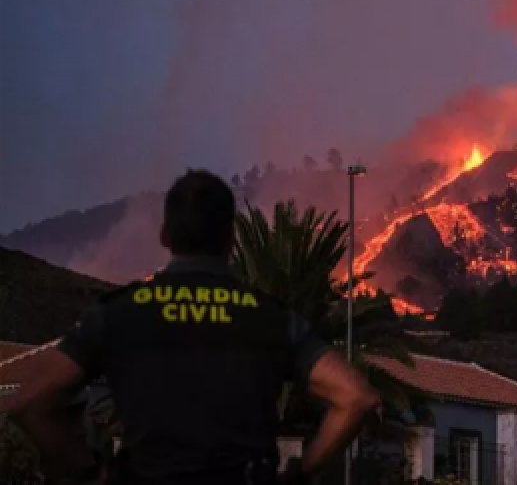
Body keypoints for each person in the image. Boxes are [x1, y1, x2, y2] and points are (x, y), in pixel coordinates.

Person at [9, 170, 379, 485]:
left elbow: (28, 402)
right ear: (232, 239)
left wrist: (89, 471)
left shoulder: (118, 314)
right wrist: (300, 474)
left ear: (164, 236)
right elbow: (356, 398)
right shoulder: (270, 318)